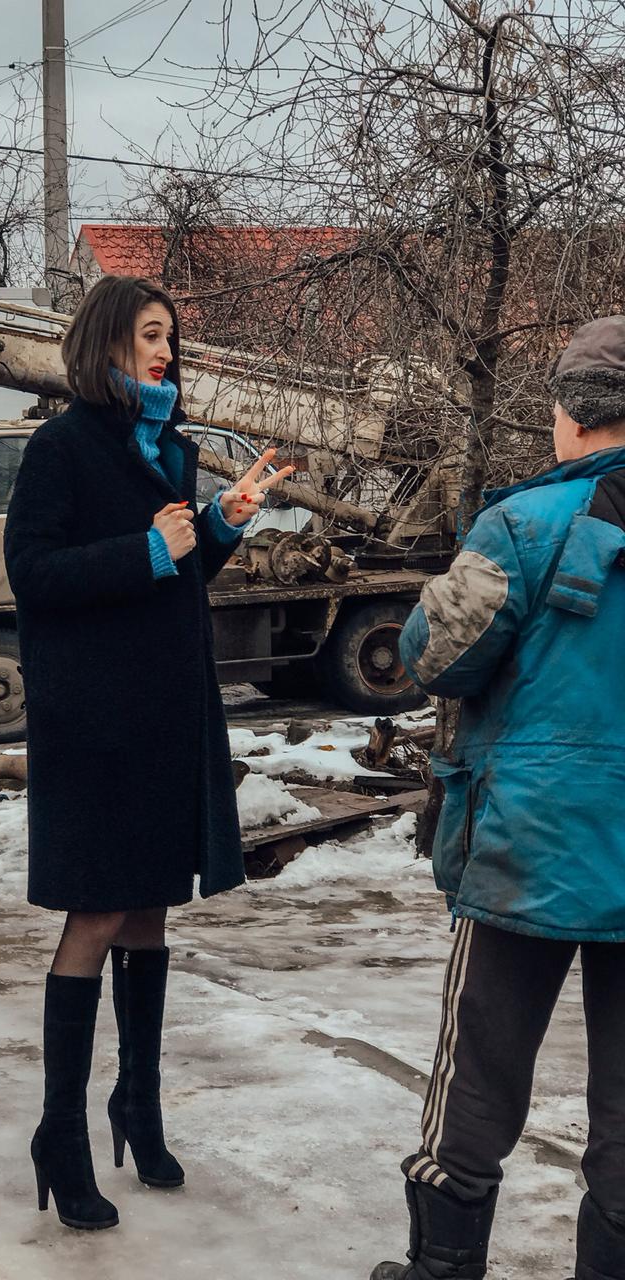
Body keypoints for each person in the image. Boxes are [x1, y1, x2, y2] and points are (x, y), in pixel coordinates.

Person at [2, 275, 288, 1232]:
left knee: (153, 910)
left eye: (171, 335)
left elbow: (176, 573)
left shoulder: (174, 445)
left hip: (167, 713)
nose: (164, 350)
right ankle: (61, 1133)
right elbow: (33, 576)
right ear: (106, 344)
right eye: (148, 334)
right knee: (96, 911)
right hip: (95, 724)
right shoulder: (61, 446)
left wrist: (218, 527)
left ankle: (140, 1105)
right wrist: (147, 551)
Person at [372, 316, 625, 1280]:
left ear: (570, 416)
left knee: (477, 1074)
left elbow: (433, 660)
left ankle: (442, 1268)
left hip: (530, 847)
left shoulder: (521, 526)